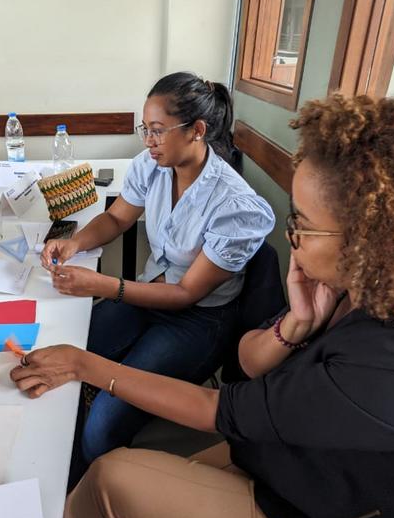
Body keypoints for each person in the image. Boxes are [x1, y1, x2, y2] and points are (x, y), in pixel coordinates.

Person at [13, 93, 394, 518]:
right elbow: (250, 362)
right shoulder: (358, 293)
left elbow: (220, 408)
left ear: (371, 241)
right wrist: (297, 323)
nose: (290, 238)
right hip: (294, 466)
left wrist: (84, 364)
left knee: (110, 477)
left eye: (302, 224)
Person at [39, 72, 275, 484]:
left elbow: (185, 293)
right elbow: (116, 218)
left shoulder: (236, 206)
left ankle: (92, 488)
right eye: (144, 129)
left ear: (196, 130)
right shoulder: (151, 166)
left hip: (198, 320)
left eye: (158, 131)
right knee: (57, 354)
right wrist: (74, 243)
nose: (148, 141)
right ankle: (56, 460)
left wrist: (105, 287)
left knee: (102, 427)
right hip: (145, 295)